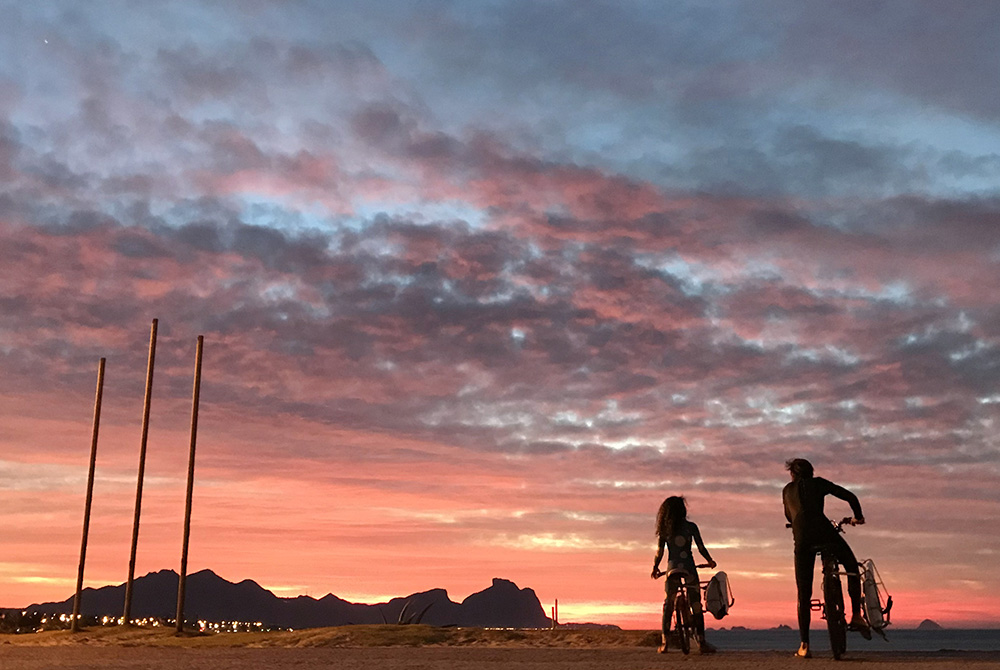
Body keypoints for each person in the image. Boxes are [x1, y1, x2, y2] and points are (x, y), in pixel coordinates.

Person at [782, 458, 871, 659]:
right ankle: (856, 615)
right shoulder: (819, 483)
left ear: (792, 475)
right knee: (850, 565)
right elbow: (850, 496)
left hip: (802, 540)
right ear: (811, 473)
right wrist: (858, 517)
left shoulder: (787, 490)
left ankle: (804, 645)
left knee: (803, 593)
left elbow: (789, 516)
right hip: (824, 533)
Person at [651, 495, 717, 654]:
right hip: (689, 567)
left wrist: (655, 568)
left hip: (672, 568)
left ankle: (665, 642)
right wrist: (710, 561)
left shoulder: (665, 530)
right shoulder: (691, 527)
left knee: (669, 603)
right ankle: (701, 642)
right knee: (696, 604)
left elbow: (659, 553)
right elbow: (701, 548)